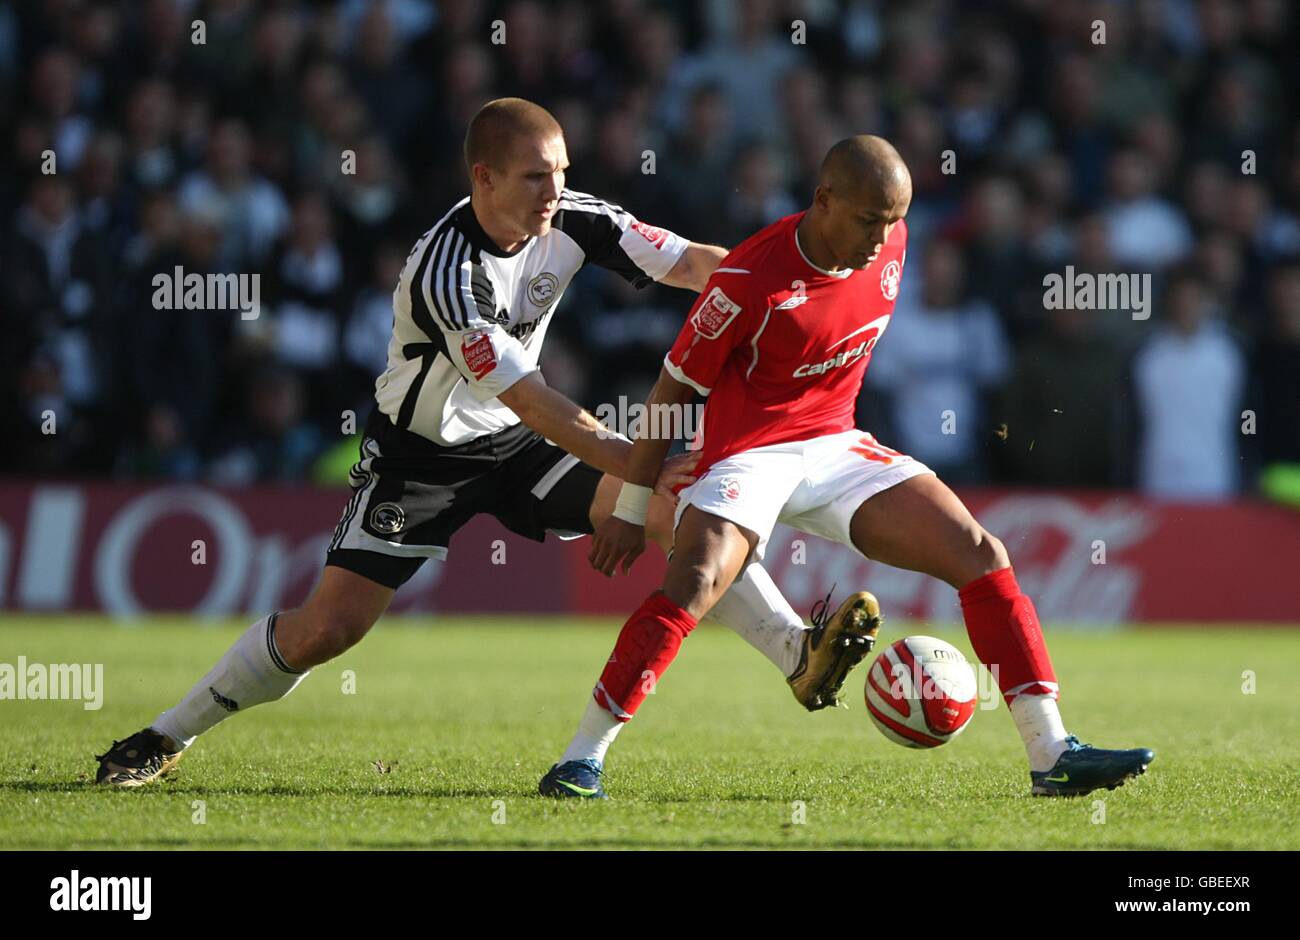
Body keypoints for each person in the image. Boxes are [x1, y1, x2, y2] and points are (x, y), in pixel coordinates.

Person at [94, 99, 876, 787]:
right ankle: (167, 731)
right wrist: (636, 463)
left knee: (680, 511)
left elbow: (706, 269)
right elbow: (534, 399)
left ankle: (798, 658)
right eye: (536, 176)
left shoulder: (576, 217)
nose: (555, 191)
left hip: (519, 443)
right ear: (485, 179)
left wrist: (802, 289)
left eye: (561, 171)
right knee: (327, 629)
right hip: (421, 457)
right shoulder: (448, 274)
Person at [540, 135, 1155, 800]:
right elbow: (669, 395)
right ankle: (581, 759)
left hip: (835, 444)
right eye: (868, 220)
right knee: (692, 578)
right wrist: (633, 510)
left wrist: (887, 230)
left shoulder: (893, 242)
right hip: (747, 455)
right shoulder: (747, 283)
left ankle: (1052, 753)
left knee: (981, 551)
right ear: (823, 200)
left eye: (893, 220)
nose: (882, 237)